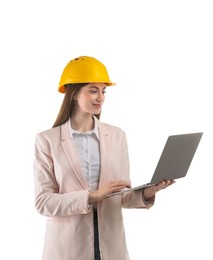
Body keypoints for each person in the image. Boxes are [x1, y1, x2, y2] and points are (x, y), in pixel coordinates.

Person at [33, 56, 175, 260]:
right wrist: (91, 196)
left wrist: (148, 191)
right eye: (93, 90)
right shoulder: (47, 140)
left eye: (103, 90)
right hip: (68, 247)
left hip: (111, 245)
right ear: (73, 93)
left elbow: (122, 196)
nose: (100, 97)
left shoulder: (117, 136)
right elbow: (43, 202)